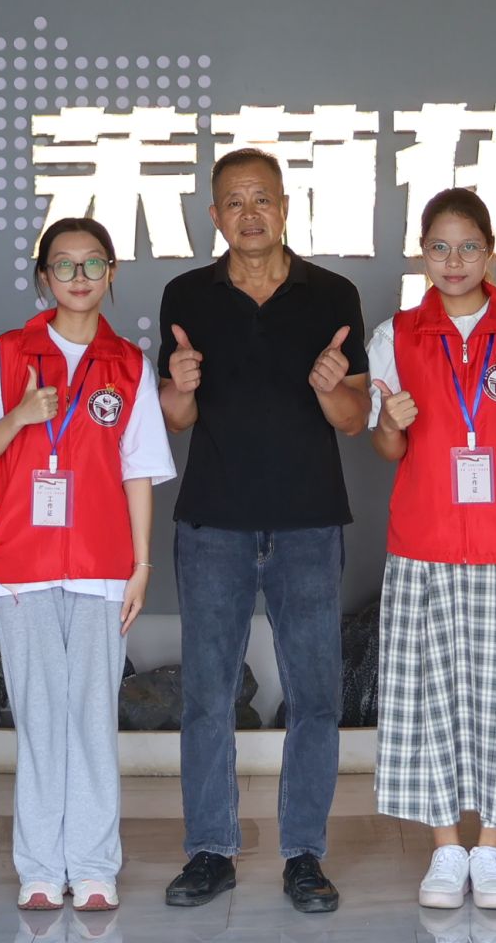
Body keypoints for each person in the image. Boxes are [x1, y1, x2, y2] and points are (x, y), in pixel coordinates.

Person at [157, 148, 369, 914]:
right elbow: (175, 420)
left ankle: (304, 855)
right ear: (215, 215)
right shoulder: (187, 294)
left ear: (285, 206)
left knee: (314, 697)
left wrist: (330, 390)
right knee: (207, 697)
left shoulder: (332, 294)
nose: (250, 214)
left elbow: (355, 418)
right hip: (213, 524)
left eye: (263, 199)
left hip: (308, 524)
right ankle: (209, 850)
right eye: (234, 202)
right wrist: (179, 389)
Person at [0, 217, 176, 912]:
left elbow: (139, 471)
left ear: (111, 273)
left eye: (92, 264)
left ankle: (91, 865)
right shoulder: (9, 353)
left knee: (90, 715)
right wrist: (23, 414)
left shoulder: (129, 364)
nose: (78, 277)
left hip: (100, 563)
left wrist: (141, 565)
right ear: (43, 276)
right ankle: (37, 866)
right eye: (63, 264)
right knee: (38, 715)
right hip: (19, 561)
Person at [365, 187, 496, 912]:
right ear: (422, 254)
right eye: (440, 248)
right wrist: (390, 423)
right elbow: (387, 447)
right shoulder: (396, 334)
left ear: (491, 253)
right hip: (425, 542)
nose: (454, 262)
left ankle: (494, 847)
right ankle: (447, 847)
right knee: (431, 698)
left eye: (469, 247)